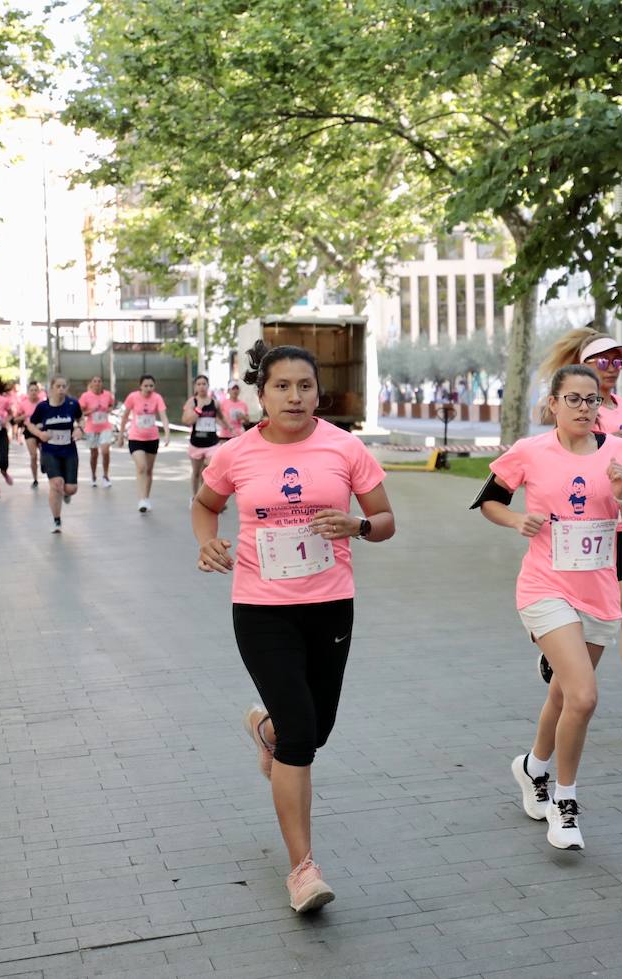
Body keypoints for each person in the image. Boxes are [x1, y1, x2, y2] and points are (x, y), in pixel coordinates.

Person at [192, 340, 394, 913]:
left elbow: (385, 521)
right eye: (282, 386)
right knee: (304, 739)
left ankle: (267, 731)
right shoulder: (237, 453)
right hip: (260, 609)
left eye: (305, 386)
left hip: (330, 605)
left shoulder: (345, 448)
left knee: (314, 729)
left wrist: (357, 525)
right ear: (262, 394)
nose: (295, 396)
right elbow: (204, 504)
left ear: (318, 394)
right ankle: (302, 869)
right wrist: (208, 542)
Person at [476, 364, 622, 851]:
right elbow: (489, 500)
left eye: (591, 400)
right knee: (586, 696)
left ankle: (532, 767)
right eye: (572, 399)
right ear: (552, 403)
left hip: (598, 592)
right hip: (544, 587)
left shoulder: (618, 452)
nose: (583, 408)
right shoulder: (530, 451)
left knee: (564, 694)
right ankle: (565, 803)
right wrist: (516, 520)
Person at [535, 329, 622, 741]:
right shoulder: (573, 405)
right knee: (583, 610)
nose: (611, 370)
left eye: (618, 362)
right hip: (585, 527)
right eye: (602, 361)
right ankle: (557, 650)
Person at [26, 375, 84, 533]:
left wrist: (80, 429)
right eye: (58, 386)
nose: (61, 389)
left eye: (64, 386)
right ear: (51, 388)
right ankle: (57, 520)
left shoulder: (73, 404)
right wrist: (39, 434)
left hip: (69, 450)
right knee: (56, 483)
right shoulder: (43, 407)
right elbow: (30, 424)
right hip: (50, 450)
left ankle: (67, 493)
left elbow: (81, 419)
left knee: (71, 488)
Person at [119, 374, 170, 512]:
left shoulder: (157, 398)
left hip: (152, 438)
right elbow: (124, 416)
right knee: (141, 467)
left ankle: (146, 498)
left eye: (151, 386)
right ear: (140, 386)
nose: (148, 388)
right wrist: (120, 435)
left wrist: (166, 433)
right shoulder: (133, 397)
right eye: (146, 386)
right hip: (136, 437)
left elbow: (163, 416)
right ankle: (141, 499)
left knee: (149, 470)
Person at [182, 374, 221, 499]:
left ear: (208, 386)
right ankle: (194, 497)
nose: (202, 386)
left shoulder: (215, 402)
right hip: (196, 444)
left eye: (204, 383)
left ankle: (205, 498)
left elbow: (221, 417)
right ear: (195, 387)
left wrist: (230, 428)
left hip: (212, 443)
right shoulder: (191, 402)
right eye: (199, 384)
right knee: (197, 473)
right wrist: (198, 408)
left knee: (209, 471)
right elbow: (187, 420)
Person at [79, 375, 116, 487]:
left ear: (101, 383)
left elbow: (111, 405)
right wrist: (91, 411)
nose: (97, 383)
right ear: (91, 383)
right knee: (94, 454)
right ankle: (93, 475)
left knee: (105, 451)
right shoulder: (86, 396)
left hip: (105, 427)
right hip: (91, 428)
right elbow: (81, 413)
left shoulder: (107, 394)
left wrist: (108, 409)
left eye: (99, 381)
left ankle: (105, 476)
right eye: (95, 381)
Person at [18, 380, 45, 488]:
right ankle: (35, 479)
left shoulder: (43, 403)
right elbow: (16, 419)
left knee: (45, 453)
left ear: (38, 392)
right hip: (29, 430)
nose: (33, 392)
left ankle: (44, 463)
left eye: (35, 390)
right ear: (28, 392)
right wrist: (24, 416)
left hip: (41, 429)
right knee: (33, 456)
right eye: (31, 390)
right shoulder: (23, 404)